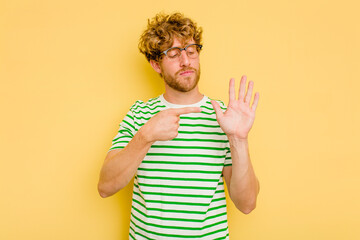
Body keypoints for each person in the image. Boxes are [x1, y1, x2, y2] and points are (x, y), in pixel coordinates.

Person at [98, 12, 260, 239]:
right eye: (173, 54)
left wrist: (238, 139)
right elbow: (105, 187)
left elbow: (247, 204)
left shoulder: (224, 117)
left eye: (191, 51)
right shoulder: (139, 115)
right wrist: (145, 136)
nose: (186, 61)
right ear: (156, 64)